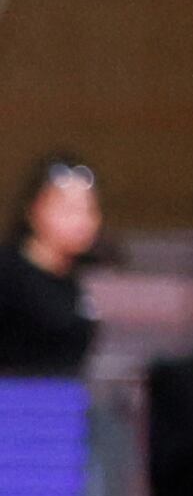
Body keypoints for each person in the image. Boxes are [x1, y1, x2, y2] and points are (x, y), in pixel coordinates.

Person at [0, 157, 97, 376]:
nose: (80, 221)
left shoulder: (72, 279)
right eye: (68, 209)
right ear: (33, 209)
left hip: (62, 401)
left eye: (88, 209)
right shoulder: (7, 274)